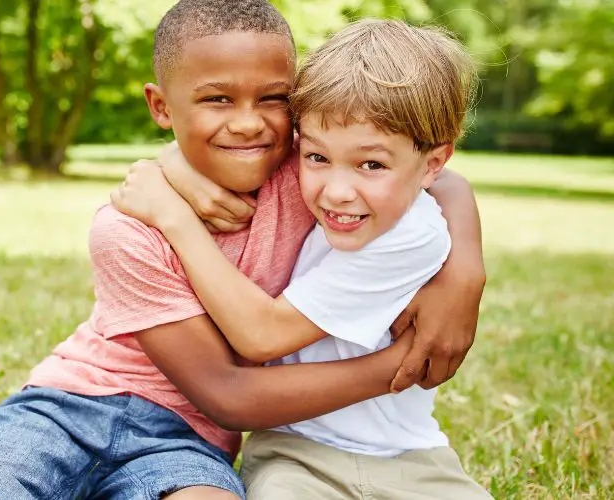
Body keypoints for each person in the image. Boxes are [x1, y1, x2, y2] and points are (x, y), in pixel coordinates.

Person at [0, 2, 485, 499]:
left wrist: (464, 273)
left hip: (188, 442)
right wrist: (397, 365)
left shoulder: (311, 174)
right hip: (69, 406)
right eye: (217, 99)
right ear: (162, 107)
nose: (247, 123)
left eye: (273, 99)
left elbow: (440, 180)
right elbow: (229, 393)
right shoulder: (131, 226)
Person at [112, 19, 490, 499]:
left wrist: (176, 220)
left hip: (412, 458)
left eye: (370, 165)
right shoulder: (319, 175)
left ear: (432, 164)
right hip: (293, 453)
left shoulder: (409, 233)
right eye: (315, 157)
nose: (335, 191)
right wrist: (170, 167)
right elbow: (231, 141)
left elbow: (262, 335)